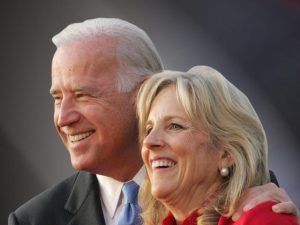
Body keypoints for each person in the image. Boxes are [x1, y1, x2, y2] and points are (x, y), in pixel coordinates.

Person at [8, 18, 298, 225]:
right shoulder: (35, 219)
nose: (64, 118)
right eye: (57, 98)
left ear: (142, 92)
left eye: (83, 95)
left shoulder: (256, 203)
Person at [136, 66, 299, 225]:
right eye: (148, 129)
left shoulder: (263, 220)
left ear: (226, 153)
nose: (149, 142)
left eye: (175, 126)